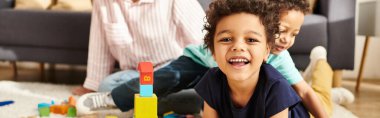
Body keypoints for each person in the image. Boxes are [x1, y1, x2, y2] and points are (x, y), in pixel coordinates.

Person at [194, 0, 309, 117]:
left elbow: (306, 93)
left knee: (321, 91)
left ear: (267, 51)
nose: (238, 47)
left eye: (251, 40)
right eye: (226, 39)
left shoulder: (277, 87)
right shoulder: (212, 81)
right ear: (213, 51)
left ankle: (319, 61)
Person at [72, 0, 206, 95]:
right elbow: (99, 45)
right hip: (135, 74)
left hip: (172, 68)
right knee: (106, 87)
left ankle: (177, 98)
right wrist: (92, 86)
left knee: (180, 79)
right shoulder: (103, 2)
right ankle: (176, 99)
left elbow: (203, 40)